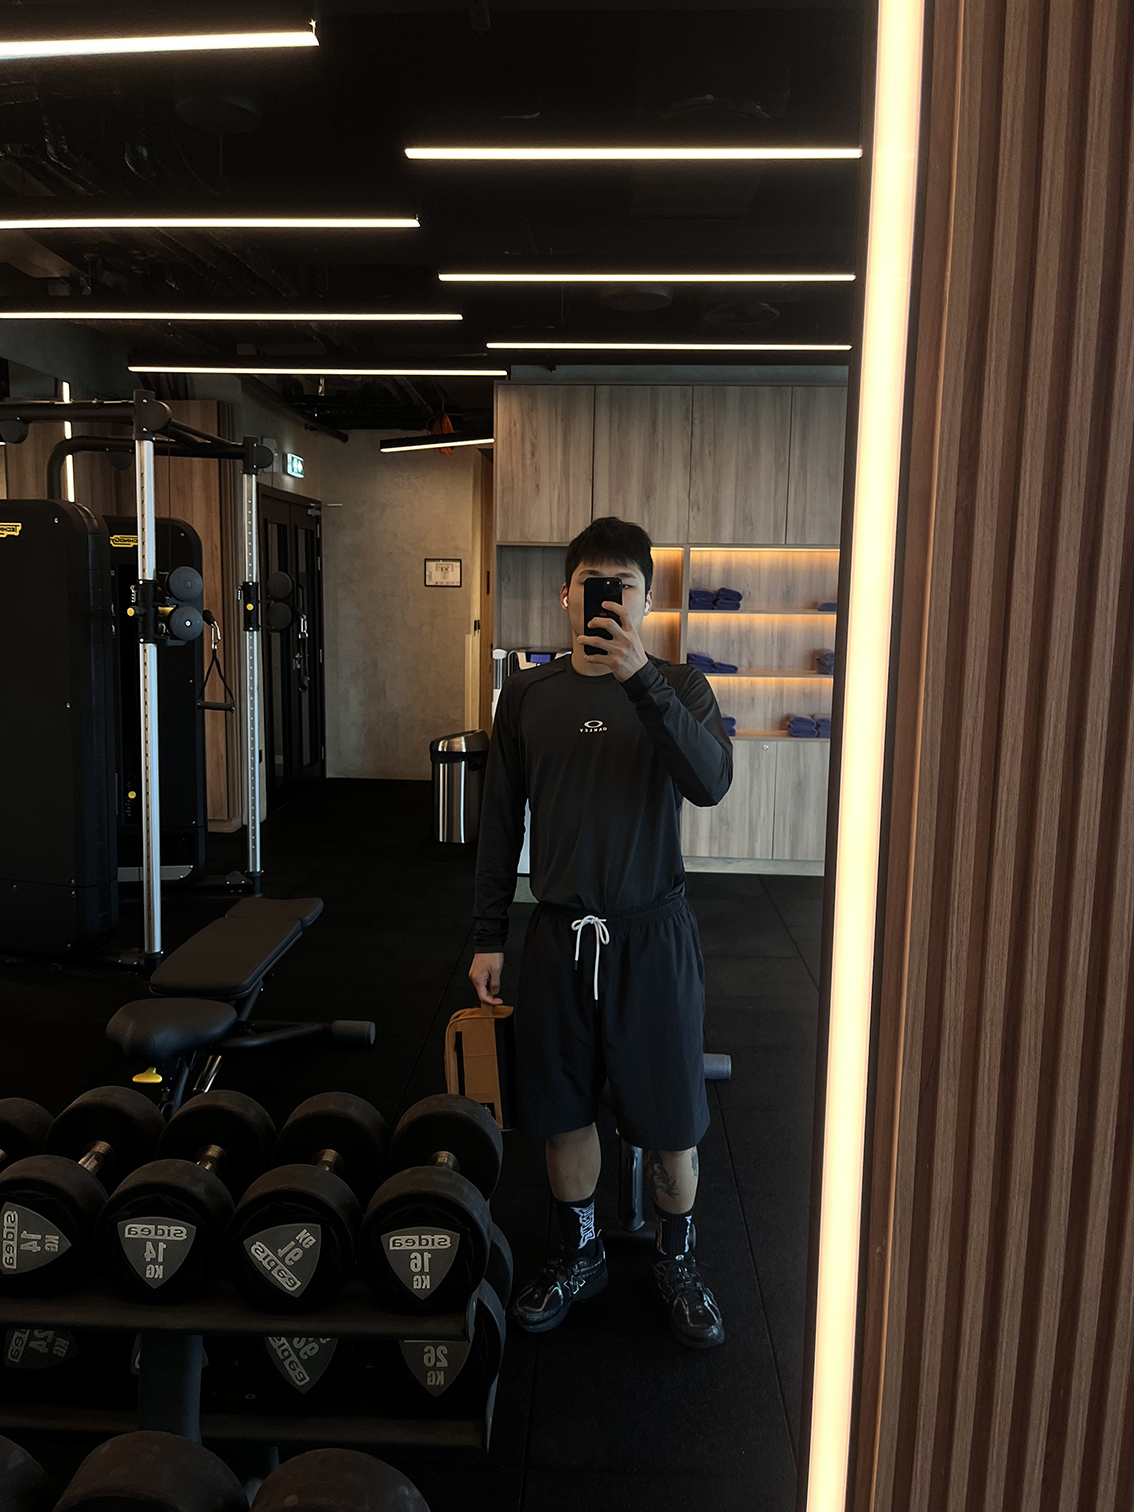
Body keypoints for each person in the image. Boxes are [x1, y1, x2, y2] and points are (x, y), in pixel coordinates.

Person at [469, 516, 733, 1348]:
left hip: (653, 937)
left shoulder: (681, 687)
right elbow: (499, 820)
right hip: (558, 937)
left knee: (672, 1120)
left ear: (647, 601)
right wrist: (487, 933)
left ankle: (676, 1260)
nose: (608, 601)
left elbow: (711, 783)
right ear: (566, 596)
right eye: (593, 586)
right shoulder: (529, 695)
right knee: (561, 1113)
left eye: (624, 589)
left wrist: (640, 680)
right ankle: (579, 1254)